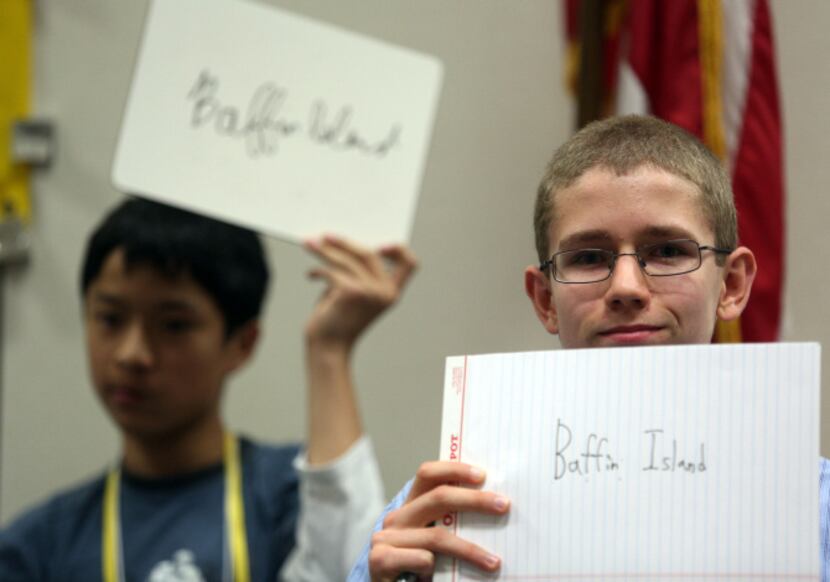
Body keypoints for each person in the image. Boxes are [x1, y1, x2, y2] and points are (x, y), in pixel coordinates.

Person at [349, 114, 762, 580]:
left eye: (667, 251)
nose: (626, 287)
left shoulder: (811, 506)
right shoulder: (439, 513)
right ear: (545, 299)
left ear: (730, 285)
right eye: (587, 258)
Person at [0, 197, 417, 581]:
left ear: (242, 343)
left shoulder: (292, 494)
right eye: (110, 318)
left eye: (174, 325)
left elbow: (350, 567)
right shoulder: (37, 547)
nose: (132, 353)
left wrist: (330, 348)